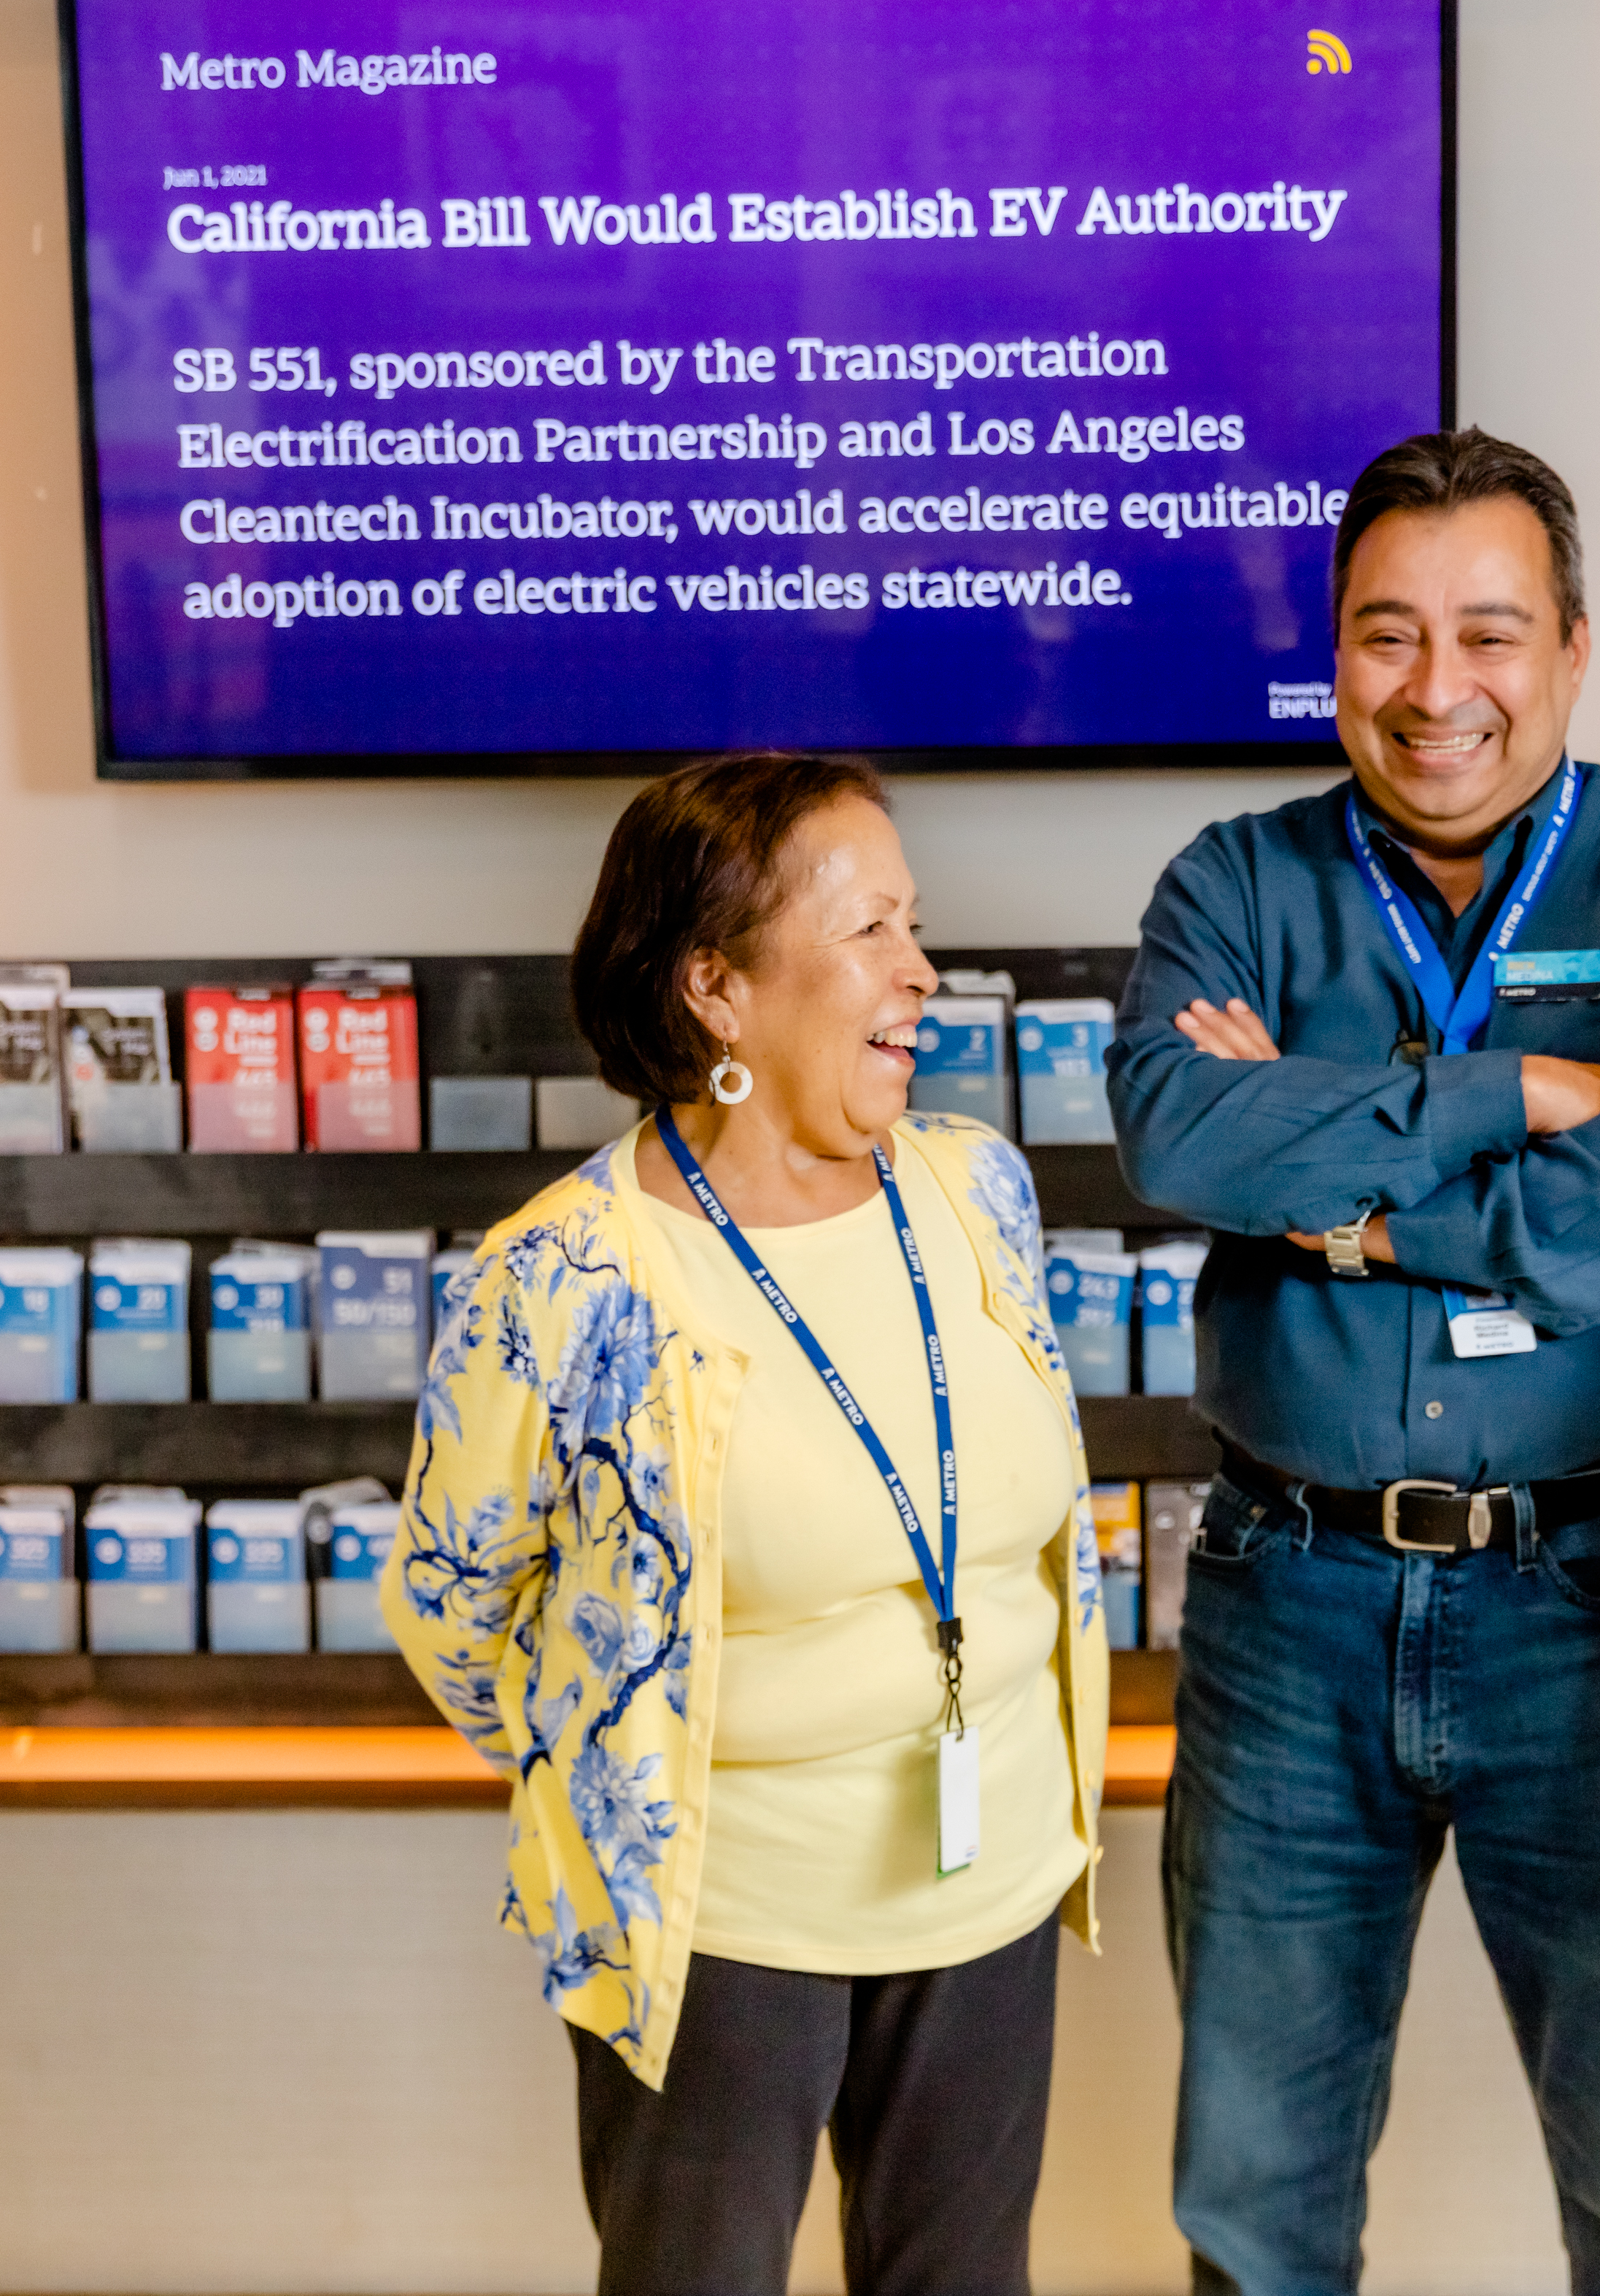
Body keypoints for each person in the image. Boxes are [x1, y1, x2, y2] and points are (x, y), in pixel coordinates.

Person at [1113, 428, 1600, 2295]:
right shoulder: (1236, 881)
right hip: (1290, 1601)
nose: (1438, 692)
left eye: (1489, 635)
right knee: (1253, 2206)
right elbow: (1182, 1140)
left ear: (1574, 648)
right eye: (1386, 635)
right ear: (1331, 653)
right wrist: (1509, 1095)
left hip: (1599, 1599)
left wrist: (1344, 1202)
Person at [389, 753, 1110, 2296]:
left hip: (988, 1889)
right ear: (719, 987)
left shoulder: (975, 1186)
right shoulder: (563, 1274)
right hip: (724, 1927)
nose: (920, 972)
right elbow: (453, 1606)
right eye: (869, 933)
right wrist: (623, 1749)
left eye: (915, 926)